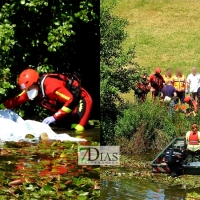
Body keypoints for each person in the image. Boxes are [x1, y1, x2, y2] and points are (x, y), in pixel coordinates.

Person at [0, 69, 92, 132]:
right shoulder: (32, 89)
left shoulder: (51, 87)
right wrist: (0, 107)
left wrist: (54, 117)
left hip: (80, 99)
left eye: (28, 89)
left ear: (36, 83)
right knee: (63, 128)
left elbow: (70, 99)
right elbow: (15, 101)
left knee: (76, 129)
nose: (27, 92)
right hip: (67, 107)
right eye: (26, 90)